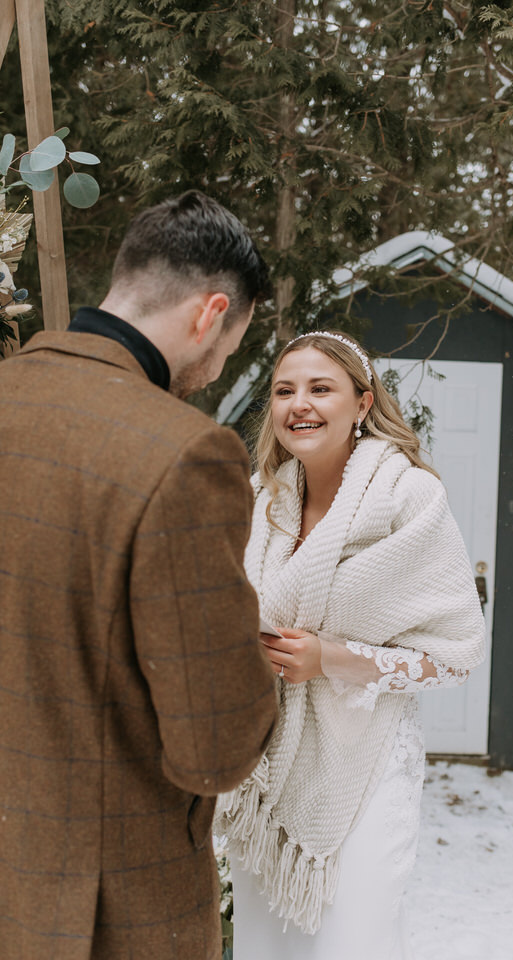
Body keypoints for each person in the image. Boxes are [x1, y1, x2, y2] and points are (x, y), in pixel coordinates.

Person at [0, 191, 279, 960]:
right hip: (103, 909)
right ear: (209, 312)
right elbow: (215, 746)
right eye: (232, 345)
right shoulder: (185, 454)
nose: (220, 368)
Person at [215, 330, 487, 959]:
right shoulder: (265, 500)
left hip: (366, 765)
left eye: (320, 388)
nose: (298, 404)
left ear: (363, 404)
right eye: (284, 390)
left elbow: (455, 654)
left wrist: (328, 659)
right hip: (270, 764)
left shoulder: (409, 498)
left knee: (352, 942)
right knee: (268, 943)